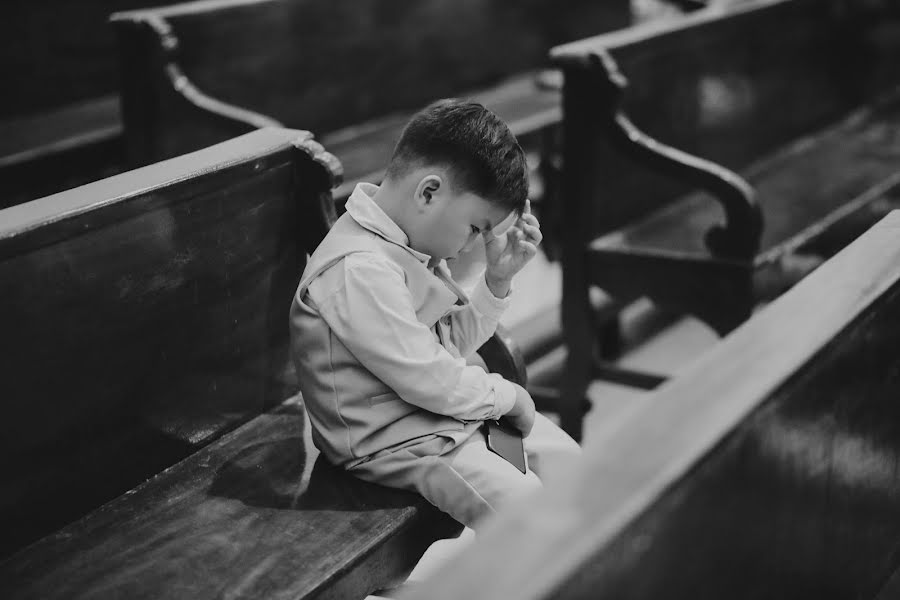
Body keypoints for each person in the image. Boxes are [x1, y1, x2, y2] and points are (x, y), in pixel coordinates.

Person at [290, 99, 580, 528]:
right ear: (428, 192)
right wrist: (506, 395)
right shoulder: (359, 270)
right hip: (395, 442)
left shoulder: (406, 243)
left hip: (438, 418)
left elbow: (447, 347)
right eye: (475, 228)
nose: (470, 246)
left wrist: (496, 282)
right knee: (527, 516)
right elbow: (428, 377)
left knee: (572, 467)